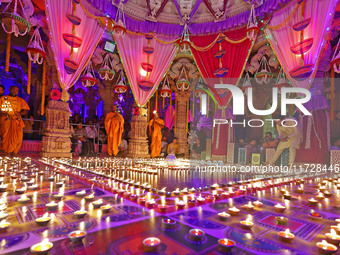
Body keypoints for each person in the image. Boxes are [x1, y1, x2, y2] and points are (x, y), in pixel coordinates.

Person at [0, 86, 30, 155]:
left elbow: (25, 111)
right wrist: (4, 113)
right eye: (13, 90)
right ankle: (5, 151)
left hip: (17, 120)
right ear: (9, 89)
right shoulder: (3, 99)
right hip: (6, 119)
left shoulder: (20, 100)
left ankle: (14, 151)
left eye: (16, 90)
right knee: (5, 135)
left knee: (18, 136)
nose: (14, 91)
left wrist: (19, 113)